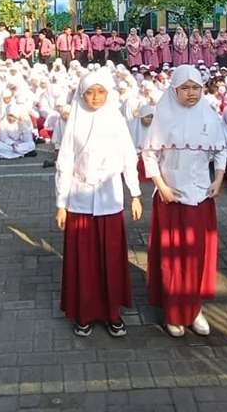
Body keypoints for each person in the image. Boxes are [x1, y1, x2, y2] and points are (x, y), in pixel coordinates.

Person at [55, 69, 142, 337]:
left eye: (101, 92)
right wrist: (61, 203)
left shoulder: (115, 120)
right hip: (80, 200)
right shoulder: (75, 121)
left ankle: (112, 313)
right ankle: (85, 313)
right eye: (90, 93)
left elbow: (128, 156)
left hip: (109, 199)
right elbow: (65, 163)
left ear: (108, 93)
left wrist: (135, 193)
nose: (95, 98)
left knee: (111, 257)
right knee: (84, 260)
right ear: (81, 95)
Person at [142, 65, 227, 338]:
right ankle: (173, 312)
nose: (191, 93)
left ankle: (194, 309)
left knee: (197, 256)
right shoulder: (163, 117)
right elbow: (149, 153)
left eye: (196, 88)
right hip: (171, 198)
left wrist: (218, 179)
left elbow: (221, 149)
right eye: (185, 88)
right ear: (174, 90)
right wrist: (162, 186)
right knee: (173, 258)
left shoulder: (209, 115)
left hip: (200, 197)